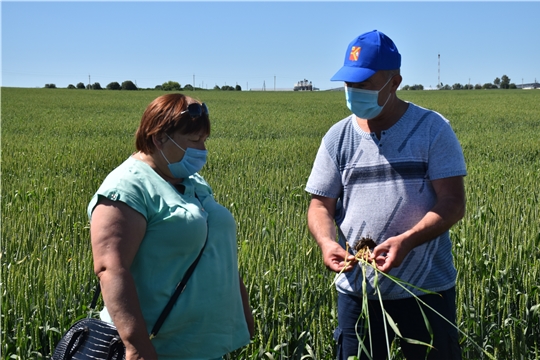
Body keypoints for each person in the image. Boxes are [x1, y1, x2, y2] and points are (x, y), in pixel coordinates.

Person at [305, 30, 466, 360]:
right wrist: (327, 242)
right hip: (357, 292)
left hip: (426, 292)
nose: (354, 93)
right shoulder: (337, 138)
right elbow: (320, 204)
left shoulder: (433, 129)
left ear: (394, 82)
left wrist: (407, 240)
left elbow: (452, 203)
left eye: (365, 84)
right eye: (350, 85)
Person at [88, 93, 255, 360]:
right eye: (193, 141)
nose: (202, 150)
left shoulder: (191, 181)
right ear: (159, 138)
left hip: (204, 344)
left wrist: (242, 309)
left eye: (204, 140)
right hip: (160, 348)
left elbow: (217, 249)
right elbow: (111, 269)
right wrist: (137, 347)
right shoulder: (127, 187)